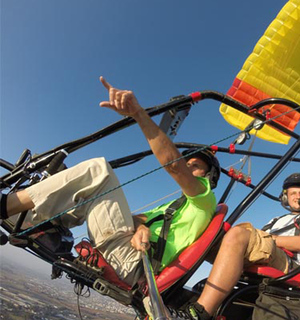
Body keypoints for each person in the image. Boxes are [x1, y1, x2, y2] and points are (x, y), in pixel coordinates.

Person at [0, 76, 220, 288]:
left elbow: (174, 164)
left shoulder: (205, 199)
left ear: (209, 178)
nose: (188, 166)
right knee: (69, 180)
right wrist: (140, 227)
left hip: (136, 264)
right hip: (127, 252)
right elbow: (133, 219)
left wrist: (138, 114)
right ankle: (32, 219)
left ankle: (6, 206)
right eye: (188, 163)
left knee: (99, 171)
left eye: (195, 166)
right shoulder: (175, 208)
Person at [185, 173, 300, 320]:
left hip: (289, 263)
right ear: (286, 197)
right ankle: (171, 295)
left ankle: (200, 313)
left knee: (239, 234)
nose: (298, 196)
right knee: (210, 238)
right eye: (293, 193)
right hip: (268, 254)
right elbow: (258, 240)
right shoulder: (276, 220)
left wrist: (265, 237)